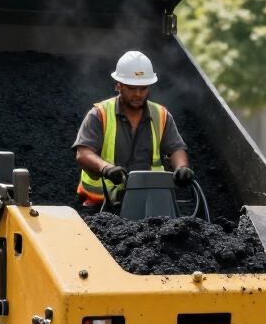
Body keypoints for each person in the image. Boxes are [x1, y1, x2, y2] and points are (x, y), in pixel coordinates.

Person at [72, 50, 192, 209]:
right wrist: (106, 169)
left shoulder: (161, 115)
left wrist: (182, 168)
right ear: (119, 85)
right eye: (132, 88)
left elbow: (176, 148)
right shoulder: (99, 115)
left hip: (149, 202)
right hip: (102, 205)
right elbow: (83, 153)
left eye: (143, 89)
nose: (138, 94)